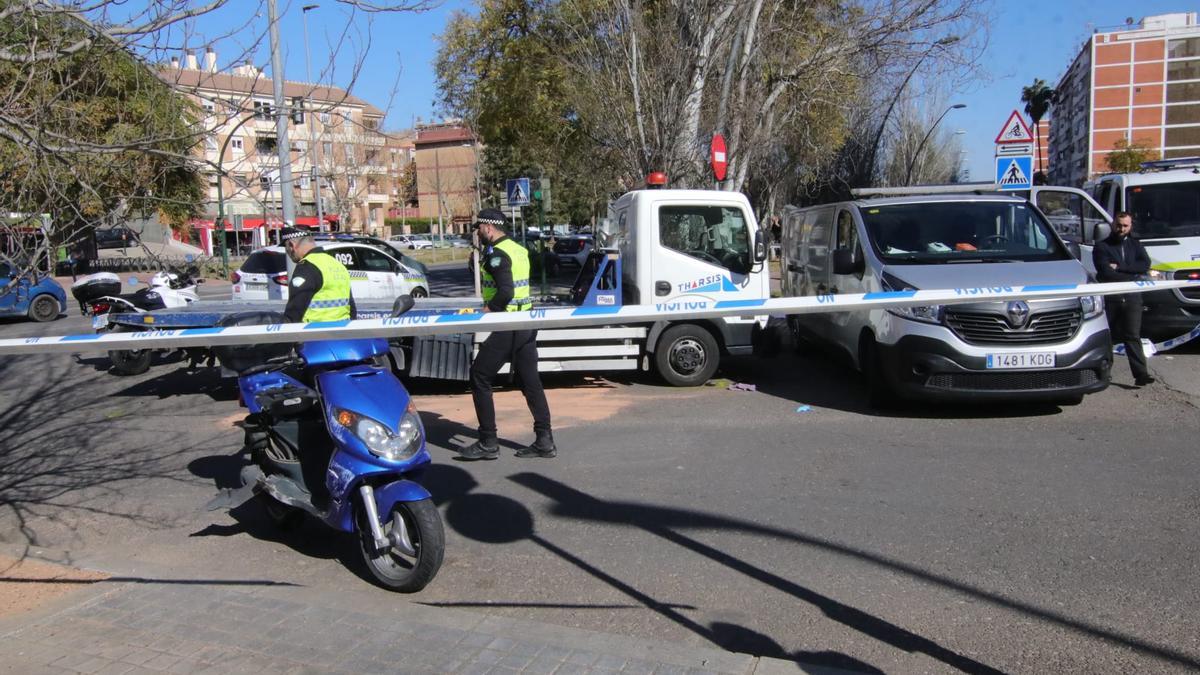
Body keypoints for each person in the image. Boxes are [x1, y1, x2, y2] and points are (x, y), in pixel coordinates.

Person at [457, 208, 556, 461]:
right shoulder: (518, 249)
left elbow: (506, 291)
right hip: (525, 321)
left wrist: (487, 310)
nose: (478, 232)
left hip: (509, 323)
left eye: (479, 228)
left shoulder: (496, 254)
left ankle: (488, 441)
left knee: (479, 376)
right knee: (530, 380)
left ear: (489, 228)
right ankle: (544, 440)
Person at [1093, 211, 1156, 386]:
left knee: (1132, 335)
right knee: (1108, 337)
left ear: (1130, 226)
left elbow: (1145, 264)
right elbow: (1105, 271)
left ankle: (1141, 374)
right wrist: (1131, 272)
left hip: (1132, 297)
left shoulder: (1135, 245)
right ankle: (1103, 375)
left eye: (1125, 226)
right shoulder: (1102, 246)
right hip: (1111, 298)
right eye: (1119, 225)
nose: (1122, 229)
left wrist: (1120, 267)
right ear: (1113, 225)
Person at [280, 227, 356, 323]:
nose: (288, 253)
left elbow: (294, 312)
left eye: (286, 248)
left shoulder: (307, 267)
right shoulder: (337, 264)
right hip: (342, 332)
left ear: (292, 245)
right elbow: (351, 309)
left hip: (314, 333)